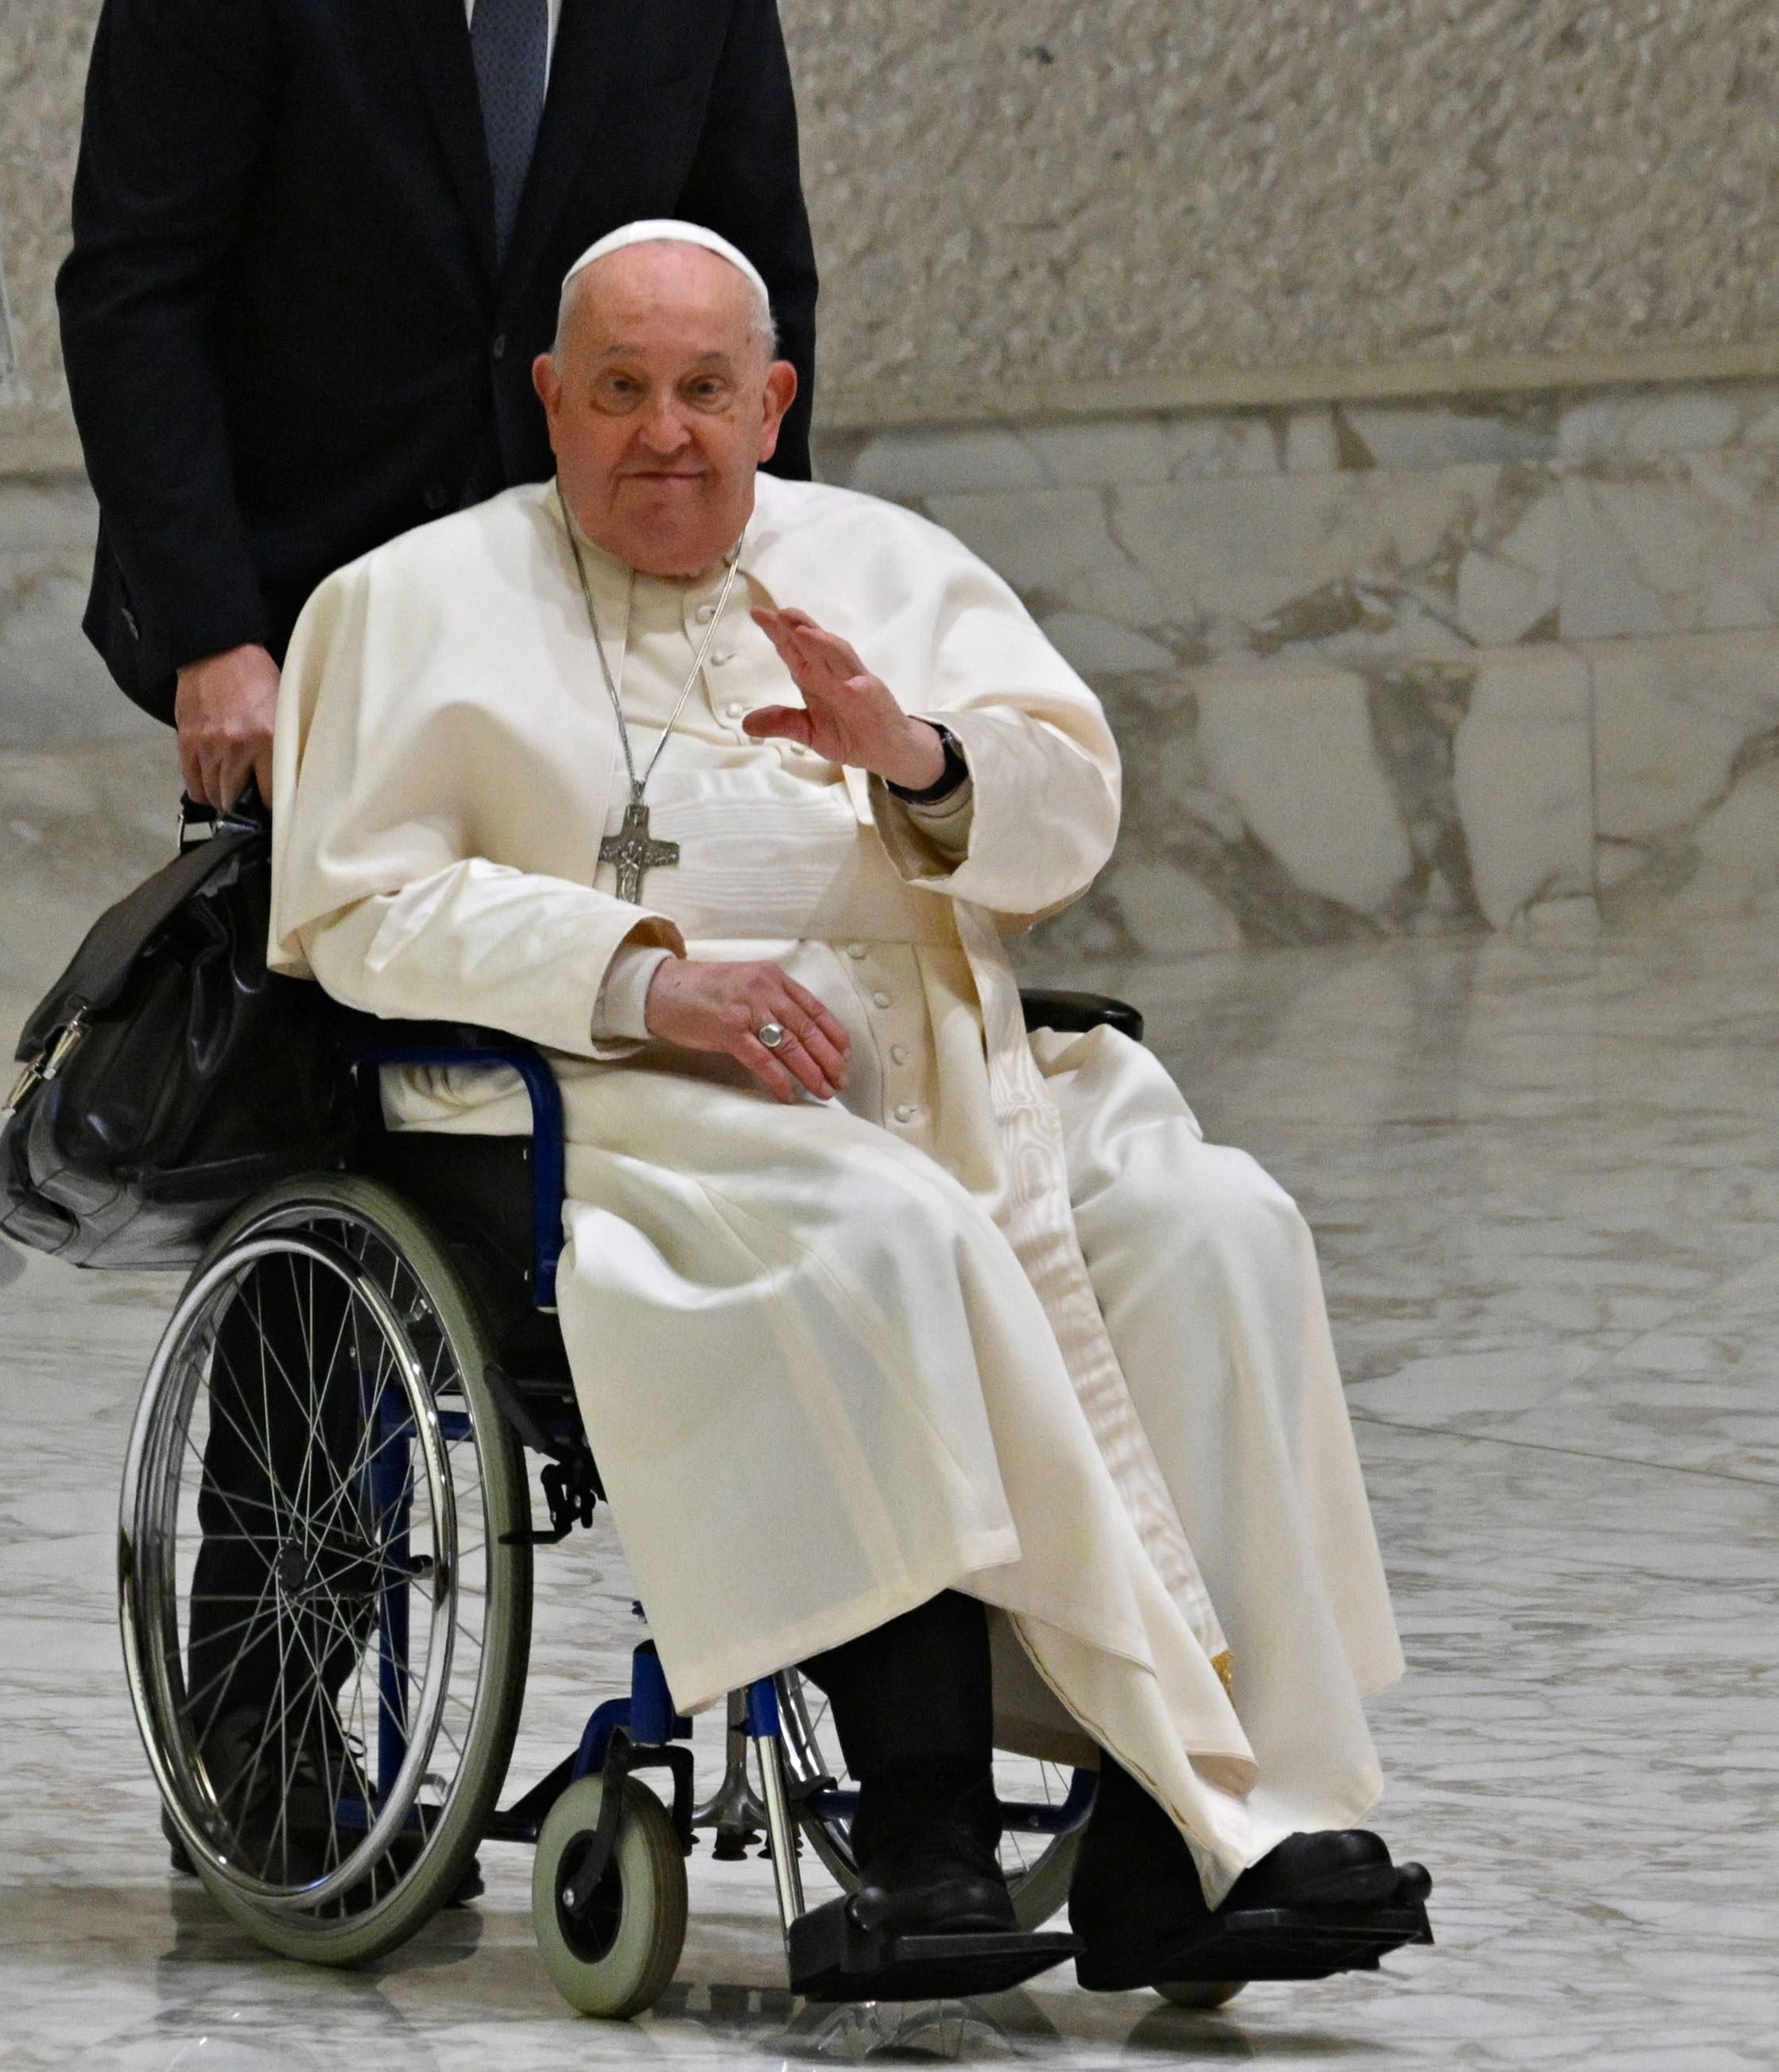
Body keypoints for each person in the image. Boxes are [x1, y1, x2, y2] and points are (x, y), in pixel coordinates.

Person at [265, 221, 1432, 1990]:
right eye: (623, 390)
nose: (668, 431)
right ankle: (925, 1829)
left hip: (952, 1061)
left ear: (775, 398)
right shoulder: (406, 599)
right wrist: (652, 975)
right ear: (551, 400)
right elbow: (357, 908)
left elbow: (1068, 815)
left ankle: (1187, 1827)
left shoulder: (896, 564)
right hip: (608, 1091)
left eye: (708, 390)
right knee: (886, 1232)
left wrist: (917, 758)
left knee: (1216, 1221)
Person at [56, 0, 817, 818]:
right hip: (301, 622)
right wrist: (209, 629)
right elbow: (136, 287)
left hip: (604, 614)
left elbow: (753, 281)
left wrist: (765, 591)